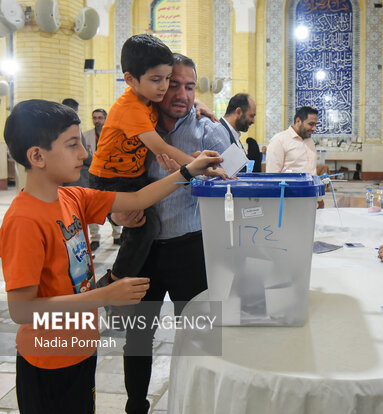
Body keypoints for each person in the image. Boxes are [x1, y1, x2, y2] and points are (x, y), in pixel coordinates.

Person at [0, 99, 223, 414]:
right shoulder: (24, 220)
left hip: (80, 349)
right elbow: (22, 310)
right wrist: (104, 295)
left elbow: (137, 197)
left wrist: (188, 170)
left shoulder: (72, 196)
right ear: (37, 156)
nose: (84, 153)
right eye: (73, 145)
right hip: (47, 360)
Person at [114, 53, 228, 414]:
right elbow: (107, 183)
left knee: (200, 334)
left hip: (190, 250)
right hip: (142, 250)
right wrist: (116, 215)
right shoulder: (133, 127)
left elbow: (241, 176)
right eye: (173, 84)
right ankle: (135, 405)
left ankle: (200, 403)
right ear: (156, 84)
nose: (180, 93)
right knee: (137, 336)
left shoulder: (208, 130)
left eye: (190, 87)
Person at [88, 34, 201, 284]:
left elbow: (185, 100)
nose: (164, 87)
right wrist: (197, 167)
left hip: (133, 177)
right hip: (109, 179)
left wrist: (199, 105)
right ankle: (114, 280)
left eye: (167, 79)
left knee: (143, 220)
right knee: (143, 225)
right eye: (157, 80)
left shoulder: (150, 99)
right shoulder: (130, 107)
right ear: (130, 79)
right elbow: (159, 146)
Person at [83, 108, 122, 250]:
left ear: (106, 119)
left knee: (113, 206)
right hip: (92, 178)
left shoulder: (114, 134)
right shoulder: (86, 136)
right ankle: (95, 238)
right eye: (94, 118)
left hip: (111, 177)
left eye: (100, 118)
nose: (97, 120)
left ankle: (117, 235)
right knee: (93, 209)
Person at [266, 106, 318, 174]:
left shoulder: (310, 141)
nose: (314, 128)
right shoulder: (279, 140)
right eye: (311, 124)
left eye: (315, 125)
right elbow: (272, 174)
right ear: (298, 121)